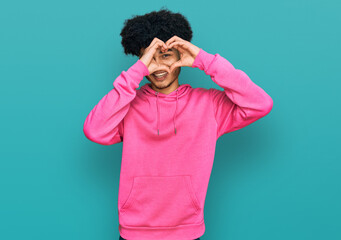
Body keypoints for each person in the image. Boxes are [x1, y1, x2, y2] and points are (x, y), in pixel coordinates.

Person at [83, 7, 273, 240]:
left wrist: (204, 60)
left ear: (180, 57)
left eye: (166, 56)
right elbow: (94, 130)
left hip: (187, 230)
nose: (159, 67)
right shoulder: (127, 106)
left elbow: (260, 104)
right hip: (135, 231)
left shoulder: (209, 105)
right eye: (151, 59)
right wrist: (135, 73)